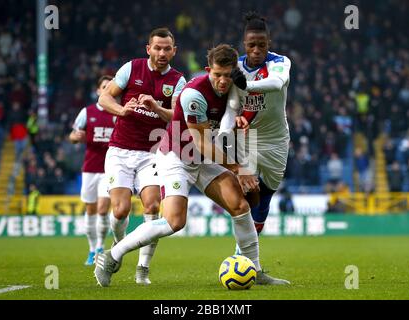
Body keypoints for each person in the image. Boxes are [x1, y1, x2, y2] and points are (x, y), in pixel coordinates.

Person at [94, 44, 290, 287]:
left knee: (240, 206)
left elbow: (228, 128)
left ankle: (256, 270)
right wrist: (238, 168)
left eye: (227, 75)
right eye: (217, 75)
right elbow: (202, 142)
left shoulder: (235, 90)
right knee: (175, 222)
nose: (221, 81)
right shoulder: (193, 94)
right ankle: (112, 256)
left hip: (205, 159)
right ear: (208, 70)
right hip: (178, 157)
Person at [97, 27, 186, 284]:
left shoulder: (177, 81)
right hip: (120, 151)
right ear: (148, 49)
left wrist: (156, 107)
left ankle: (143, 268)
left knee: (153, 206)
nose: (161, 53)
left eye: (167, 48)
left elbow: (178, 116)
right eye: (157, 48)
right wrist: (122, 111)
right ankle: (118, 244)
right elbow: (104, 98)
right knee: (121, 209)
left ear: (173, 51)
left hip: (152, 153)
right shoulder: (131, 68)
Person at [221, 12, 292, 240]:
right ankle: (243, 259)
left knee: (267, 194)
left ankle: (249, 254)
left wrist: (247, 85)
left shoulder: (280, 62)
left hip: (276, 140)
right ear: (245, 44)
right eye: (251, 45)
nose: (256, 50)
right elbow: (232, 106)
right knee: (248, 192)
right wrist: (224, 131)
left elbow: (276, 83)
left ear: (268, 43)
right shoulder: (236, 66)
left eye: (261, 45)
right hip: (247, 139)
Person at [69, 75, 115, 266]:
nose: (107, 89)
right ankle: (90, 249)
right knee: (90, 209)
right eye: (104, 86)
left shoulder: (118, 113)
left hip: (109, 168)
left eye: (110, 86)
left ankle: (99, 247)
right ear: (98, 90)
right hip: (90, 168)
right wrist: (75, 137)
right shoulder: (87, 112)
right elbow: (73, 135)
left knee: (103, 209)